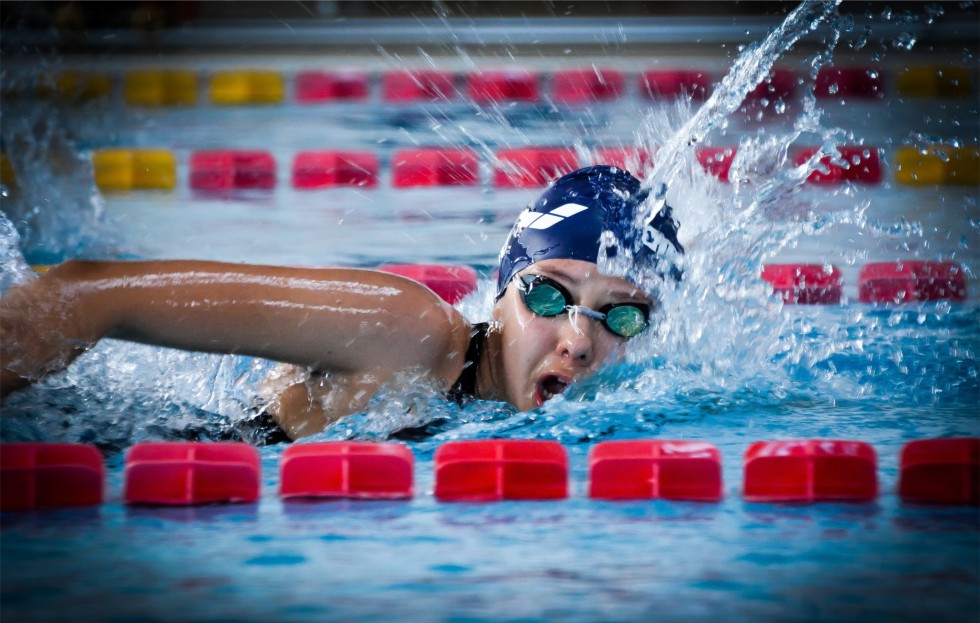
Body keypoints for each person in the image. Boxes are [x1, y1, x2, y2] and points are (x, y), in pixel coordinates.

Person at [0, 166, 683, 441]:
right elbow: (85, 296)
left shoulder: (604, 415)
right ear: (501, 290)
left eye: (618, 314)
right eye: (548, 294)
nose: (580, 342)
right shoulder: (402, 328)